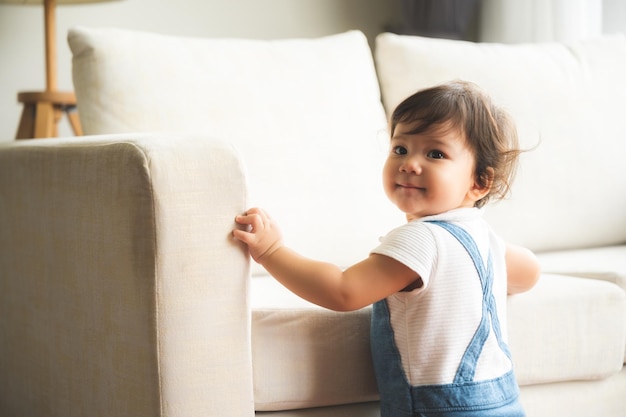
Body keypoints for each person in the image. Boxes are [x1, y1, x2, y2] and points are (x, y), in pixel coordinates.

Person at [233, 80, 541, 417]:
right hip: (503, 401)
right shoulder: (485, 238)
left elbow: (342, 290)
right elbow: (530, 272)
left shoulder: (421, 238)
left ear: (479, 182)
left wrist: (272, 251)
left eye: (435, 153)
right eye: (400, 149)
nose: (410, 163)